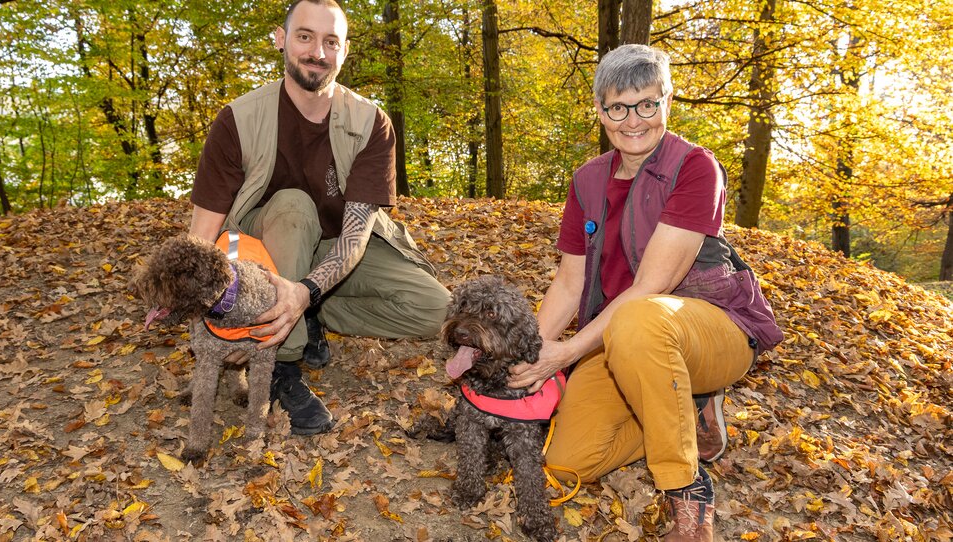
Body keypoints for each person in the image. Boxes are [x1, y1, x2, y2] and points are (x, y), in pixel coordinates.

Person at [507, 44, 783, 541]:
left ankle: (687, 490)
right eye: (617, 107)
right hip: (621, 341)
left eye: (646, 104)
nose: (632, 120)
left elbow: (651, 288)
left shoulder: (696, 168)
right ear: (599, 110)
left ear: (667, 103)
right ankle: (683, 409)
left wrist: (566, 352)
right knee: (569, 462)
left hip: (711, 329)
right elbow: (570, 282)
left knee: (640, 319)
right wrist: (526, 355)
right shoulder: (587, 180)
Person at [188, 0, 450, 437]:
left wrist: (307, 291)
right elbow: (201, 236)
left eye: (331, 42)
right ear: (281, 39)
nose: (318, 52)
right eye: (305, 37)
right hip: (261, 249)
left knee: (435, 308)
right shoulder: (238, 119)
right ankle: (280, 362)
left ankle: (308, 310)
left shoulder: (371, 122)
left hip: (335, 248)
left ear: (344, 51)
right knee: (294, 206)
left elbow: (354, 238)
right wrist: (213, 314)